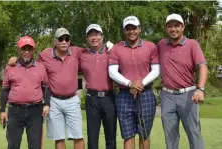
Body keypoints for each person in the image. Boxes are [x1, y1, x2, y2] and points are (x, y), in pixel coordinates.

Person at [108, 16, 160, 149]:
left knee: (144, 134)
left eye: (134, 28)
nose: (131, 31)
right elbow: (112, 72)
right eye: (128, 29)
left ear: (140, 29)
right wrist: (130, 84)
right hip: (124, 95)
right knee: (128, 135)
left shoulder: (150, 46)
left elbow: (156, 70)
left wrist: (139, 84)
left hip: (146, 94)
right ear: (124, 31)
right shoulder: (116, 48)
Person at [157, 13, 208, 149]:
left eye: (177, 26)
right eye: (170, 26)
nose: (173, 29)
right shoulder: (161, 44)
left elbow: (202, 66)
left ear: (183, 27)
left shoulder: (192, 44)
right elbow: (144, 54)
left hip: (188, 95)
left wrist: (201, 89)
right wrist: (116, 48)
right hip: (167, 96)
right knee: (170, 136)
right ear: (166, 28)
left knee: (194, 133)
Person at [0, 36, 50, 149]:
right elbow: (5, 90)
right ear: (19, 50)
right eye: (23, 49)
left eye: (29, 49)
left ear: (33, 50)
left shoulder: (41, 67)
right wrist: (2, 110)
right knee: (13, 144)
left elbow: (46, 88)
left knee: (35, 145)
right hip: (15, 111)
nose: (26, 52)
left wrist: (47, 104)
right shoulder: (10, 67)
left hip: (35, 111)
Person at [79, 24, 116, 149]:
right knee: (92, 137)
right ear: (87, 39)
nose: (94, 37)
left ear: (102, 36)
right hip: (92, 99)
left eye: (97, 34)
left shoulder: (112, 52)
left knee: (110, 137)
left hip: (109, 98)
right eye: (91, 35)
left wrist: (114, 46)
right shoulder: (82, 56)